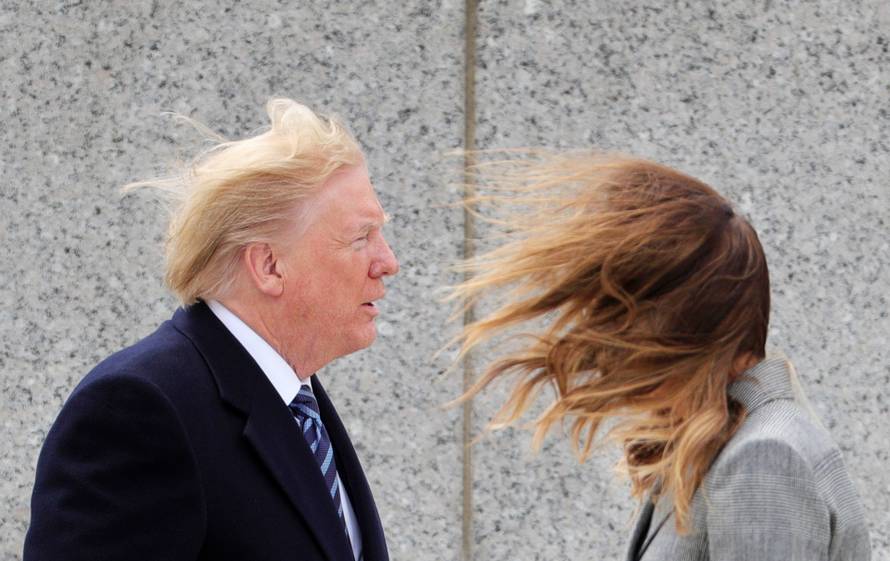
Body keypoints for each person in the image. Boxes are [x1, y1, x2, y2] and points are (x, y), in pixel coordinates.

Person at [24, 99, 398, 561]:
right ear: (269, 265)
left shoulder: (298, 404)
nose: (388, 263)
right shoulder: (138, 410)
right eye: (361, 238)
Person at [451, 153, 870, 560]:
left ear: (678, 320)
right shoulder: (728, 444)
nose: (605, 343)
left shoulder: (763, 458)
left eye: (623, 313)